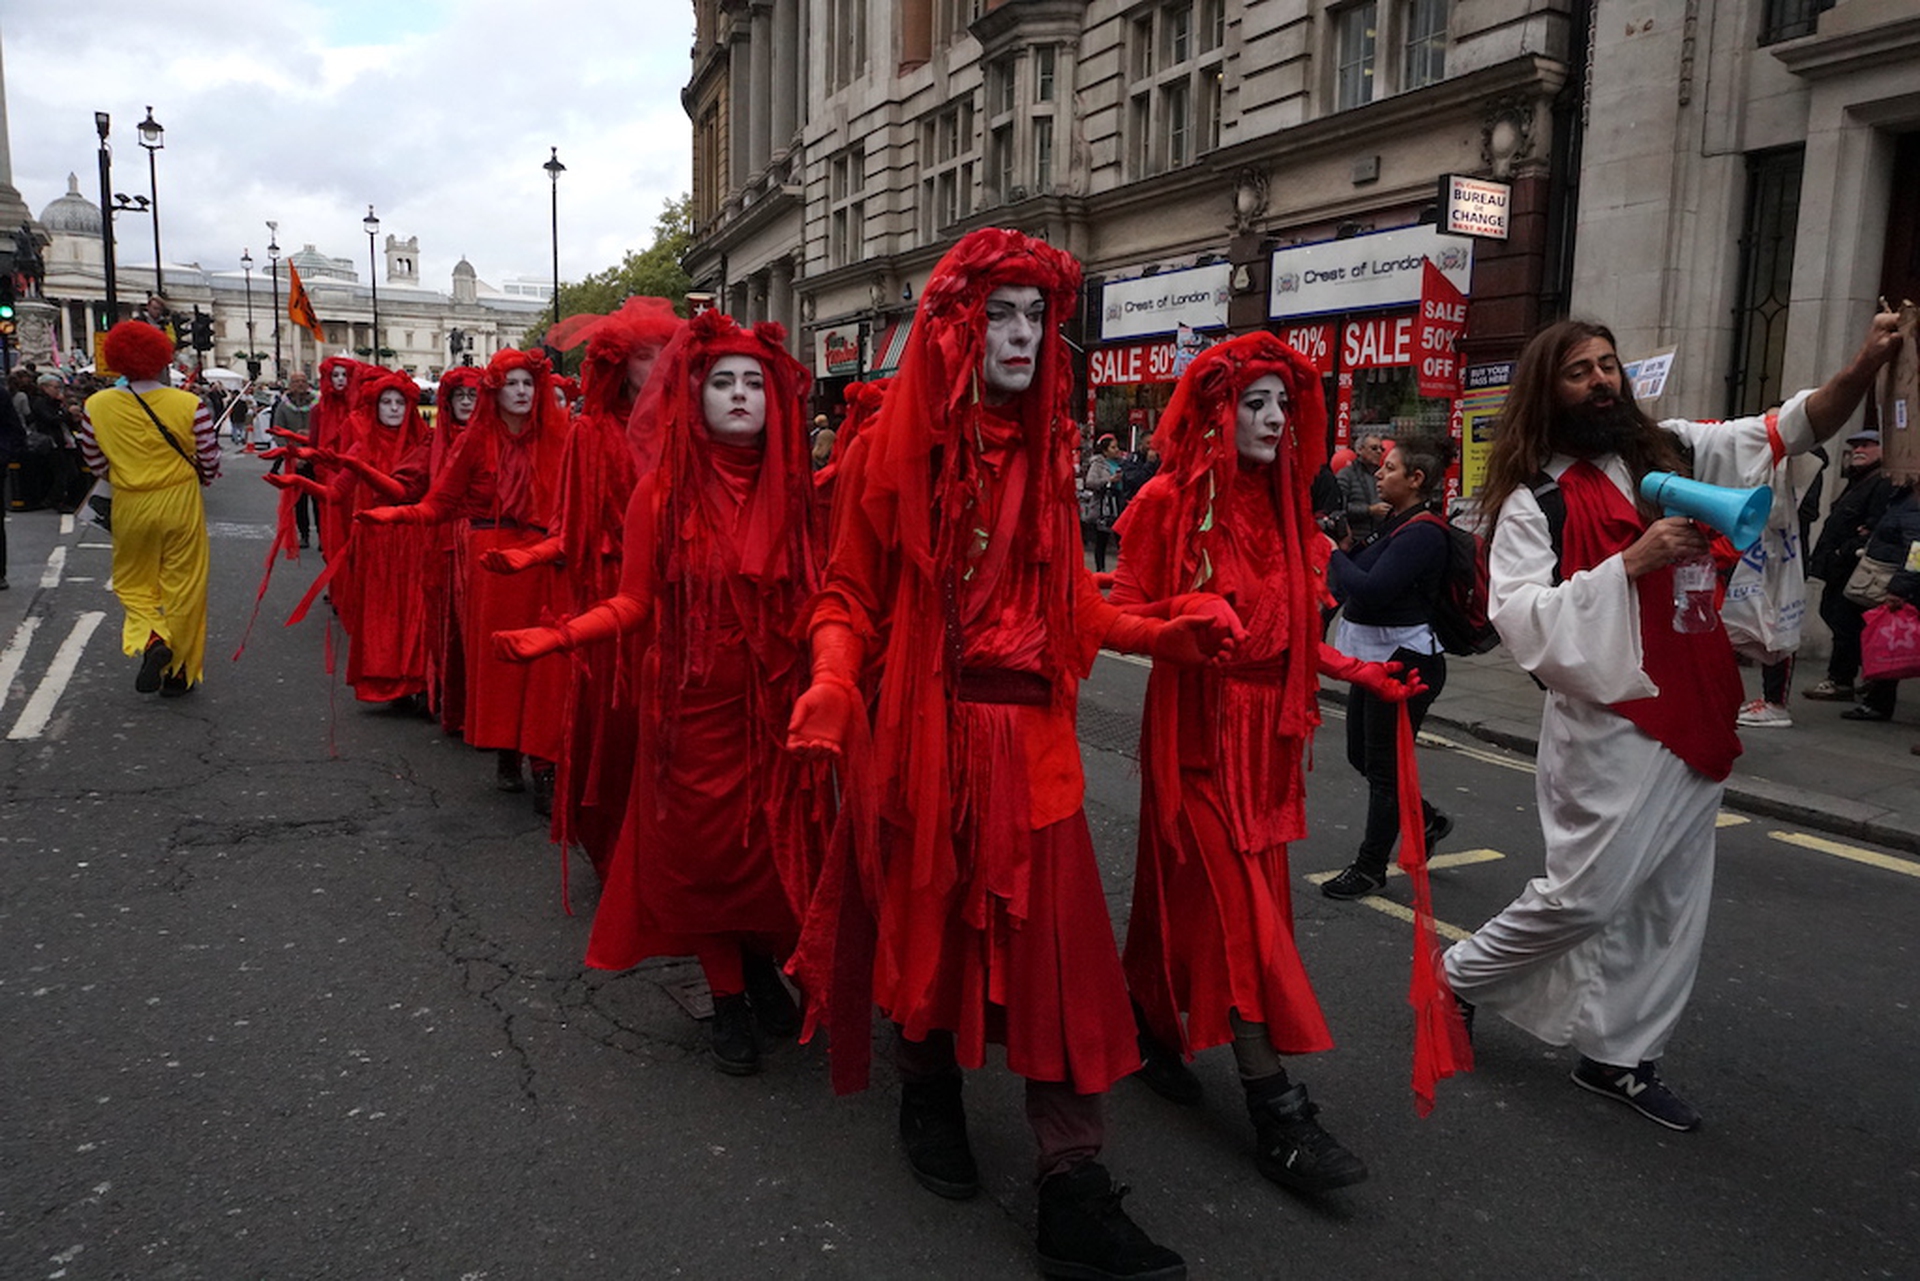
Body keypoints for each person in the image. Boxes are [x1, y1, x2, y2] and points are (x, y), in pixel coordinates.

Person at [786, 228, 1239, 1281]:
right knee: (929, 928)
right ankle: (929, 1087)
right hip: (923, 740)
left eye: (1040, 317)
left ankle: (1071, 1185)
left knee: (1063, 962)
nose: (1026, 335)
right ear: (955, 328)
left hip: (1032, 745)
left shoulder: (1050, 452)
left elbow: (1069, 603)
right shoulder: (882, 458)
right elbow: (847, 595)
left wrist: (1161, 629)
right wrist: (831, 681)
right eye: (1003, 314)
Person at [1445, 312, 1901, 1132]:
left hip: (1698, 704)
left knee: (1667, 903)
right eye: (1580, 370)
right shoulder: (1531, 501)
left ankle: (1618, 1056)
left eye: (1609, 364)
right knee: (1585, 897)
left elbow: (1798, 424)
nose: (1602, 381)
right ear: (1548, 391)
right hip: (1608, 723)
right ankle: (1459, 974)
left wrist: (1867, 361)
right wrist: (1630, 563)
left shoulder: (1673, 451)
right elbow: (1522, 621)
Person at [1109, 333, 1433, 1196]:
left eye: (1282, 404)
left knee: (1197, 905)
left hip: (1267, 748)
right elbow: (1119, 614)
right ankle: (1275, 1107)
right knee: (1238, 918)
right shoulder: (1164, 503)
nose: (1273, 418)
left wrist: (1365, 672)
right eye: (1254, 401)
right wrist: (1182, 616)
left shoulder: (1291, 514)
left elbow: (1293, 636)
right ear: (1216, 408)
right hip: (1196, 735)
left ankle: (1147, 1018)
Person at [494, 311, 823, 1073]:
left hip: (776, 709)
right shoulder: (660, 494)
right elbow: (635, 603)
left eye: (754, 382)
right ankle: (728, 997)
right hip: (691, 708)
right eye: (722, 382)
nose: (740, 395)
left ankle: (763, 965)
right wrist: (562, 635)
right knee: (701, 856)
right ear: (695, 395)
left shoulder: (797, 494)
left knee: (771, 851)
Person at [486, 297, 683, 860]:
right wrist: (533, 559)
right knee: (618, 727)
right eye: (647, 354)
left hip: (683, 598)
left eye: (666, 353)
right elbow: (571, 529)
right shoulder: (592, 433)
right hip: (613, 596)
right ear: (621, 363)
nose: (660, 364)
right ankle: (617, 842)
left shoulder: (689, 429)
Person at [360, 350, 572, 806]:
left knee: (546, 665)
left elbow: (574, 503)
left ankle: (543, 761)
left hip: (542, 560)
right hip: (490, 560)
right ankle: (508, 752)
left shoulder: (559, 439)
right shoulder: (475, 442)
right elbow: (441, 502)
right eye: (511, 384)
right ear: (495, 393)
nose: (520, 391)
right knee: (501, 663)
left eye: (527, 384)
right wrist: (400, 516)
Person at [1321, 433, 1455, 900]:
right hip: (1373, 659)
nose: (1379, 472)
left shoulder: (1422, 532)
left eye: (1390, 468)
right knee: (1361, 755)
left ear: (1416, 479)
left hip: (1405, 665)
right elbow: (1355, 576)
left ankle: (1370, 867)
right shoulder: (1396, 523)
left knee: (1382, 767)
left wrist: (1330, 553)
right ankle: (1430, 820)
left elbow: (1370, 589)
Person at [267, 369, 433, 706]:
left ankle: (419, 681)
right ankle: (389, 681)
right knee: (382, 615)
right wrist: (299, 484)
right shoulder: (361, 444)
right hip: (374, 541)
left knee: (417, 613)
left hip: (415, 539)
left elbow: (410, 492)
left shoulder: (424, 442)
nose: (393, 408)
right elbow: (337, 493)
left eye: (399, 402)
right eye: (386, 402)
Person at [78, 321, 219, 695]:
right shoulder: (190, 405)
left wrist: (126, 470)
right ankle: (179, 673)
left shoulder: (96, 406)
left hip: (130, 502)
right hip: (180, 501)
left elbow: (95, 461)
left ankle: (154, 638)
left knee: (133, 582)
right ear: (161, 358)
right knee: (184, 585)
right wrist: (200, 475)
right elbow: (210, 460)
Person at [1802, 428, 1894, 705]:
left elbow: (1878, 523)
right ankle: (1861, 677)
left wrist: (1851, 546)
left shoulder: (1881, 482)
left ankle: (1843, 679)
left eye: (1867, 445)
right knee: (1837, 617)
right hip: (1840, 565)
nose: (1859, 450)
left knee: (1846, 622)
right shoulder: (1859, 480)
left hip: (1856, 567)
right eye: (1855, 445)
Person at [421, 364, 484, 737]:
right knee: (447, 625)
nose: (465, 402)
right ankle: (451, 696)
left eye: (471, 396)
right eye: (459, 396)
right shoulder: (434, 441)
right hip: (442, 543)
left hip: (477, 543)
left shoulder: (493, 440)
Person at [1835, 482, 1920, 723]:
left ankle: (1878, 702)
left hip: (1905, 585)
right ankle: (1877, 700)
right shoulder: (1904, 496)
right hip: (1900, 579)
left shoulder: (1913, 504)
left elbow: (1918, 550)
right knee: (1886, 641)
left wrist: (1900, 588)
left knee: (1886, 641)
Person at [270, 373, 321, 548]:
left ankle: (323, 536)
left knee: (319, 501)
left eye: (302, 381)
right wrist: (291, 454)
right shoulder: (283, 406)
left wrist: (314, 442)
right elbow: (278, 431)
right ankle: (304, 535)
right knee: (299, 502)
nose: (299, 384)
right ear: (290, 385)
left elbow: (325, 428)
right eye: (296, 382)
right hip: (295, 459)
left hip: (316, 459)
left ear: (308, 384)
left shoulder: (318, 404)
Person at [1081, 432, 1124, 572]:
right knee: (1102, 539)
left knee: (1121, 538)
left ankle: (1123, 568)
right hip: (1103, 506)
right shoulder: (1098, 464)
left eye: (1116, 447)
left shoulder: (1122, 463)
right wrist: (1108, 481)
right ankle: (1101, 569)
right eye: (1113, 447)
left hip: (1118, 502)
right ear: (1105, 451)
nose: (1116, 450)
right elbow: (1090, 482)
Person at [1337, 428, 1390, 541]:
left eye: (1382, 449)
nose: (1379, 452)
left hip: (1379, 538)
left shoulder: (1382, 475)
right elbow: (1339, 508)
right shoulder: (1346, 475)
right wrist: (1369, 510)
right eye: (1374, 448)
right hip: (1355, 539)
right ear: (1360, 450)